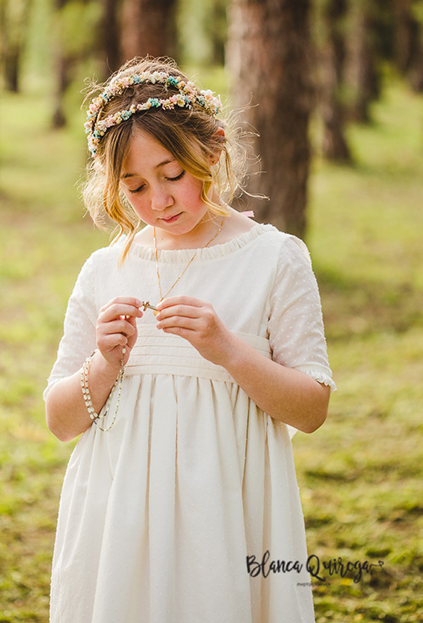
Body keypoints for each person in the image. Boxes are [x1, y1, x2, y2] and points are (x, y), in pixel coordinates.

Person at [43, 58, 334, 622]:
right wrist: (104, 364)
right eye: (134, 186)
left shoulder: (274, 259)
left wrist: (228, 349)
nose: (158, 201)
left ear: (213, 148)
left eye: (172, 174)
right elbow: (60, 421)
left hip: (228, 513)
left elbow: (313, 408)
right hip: (117, 516)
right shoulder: (106, 269)